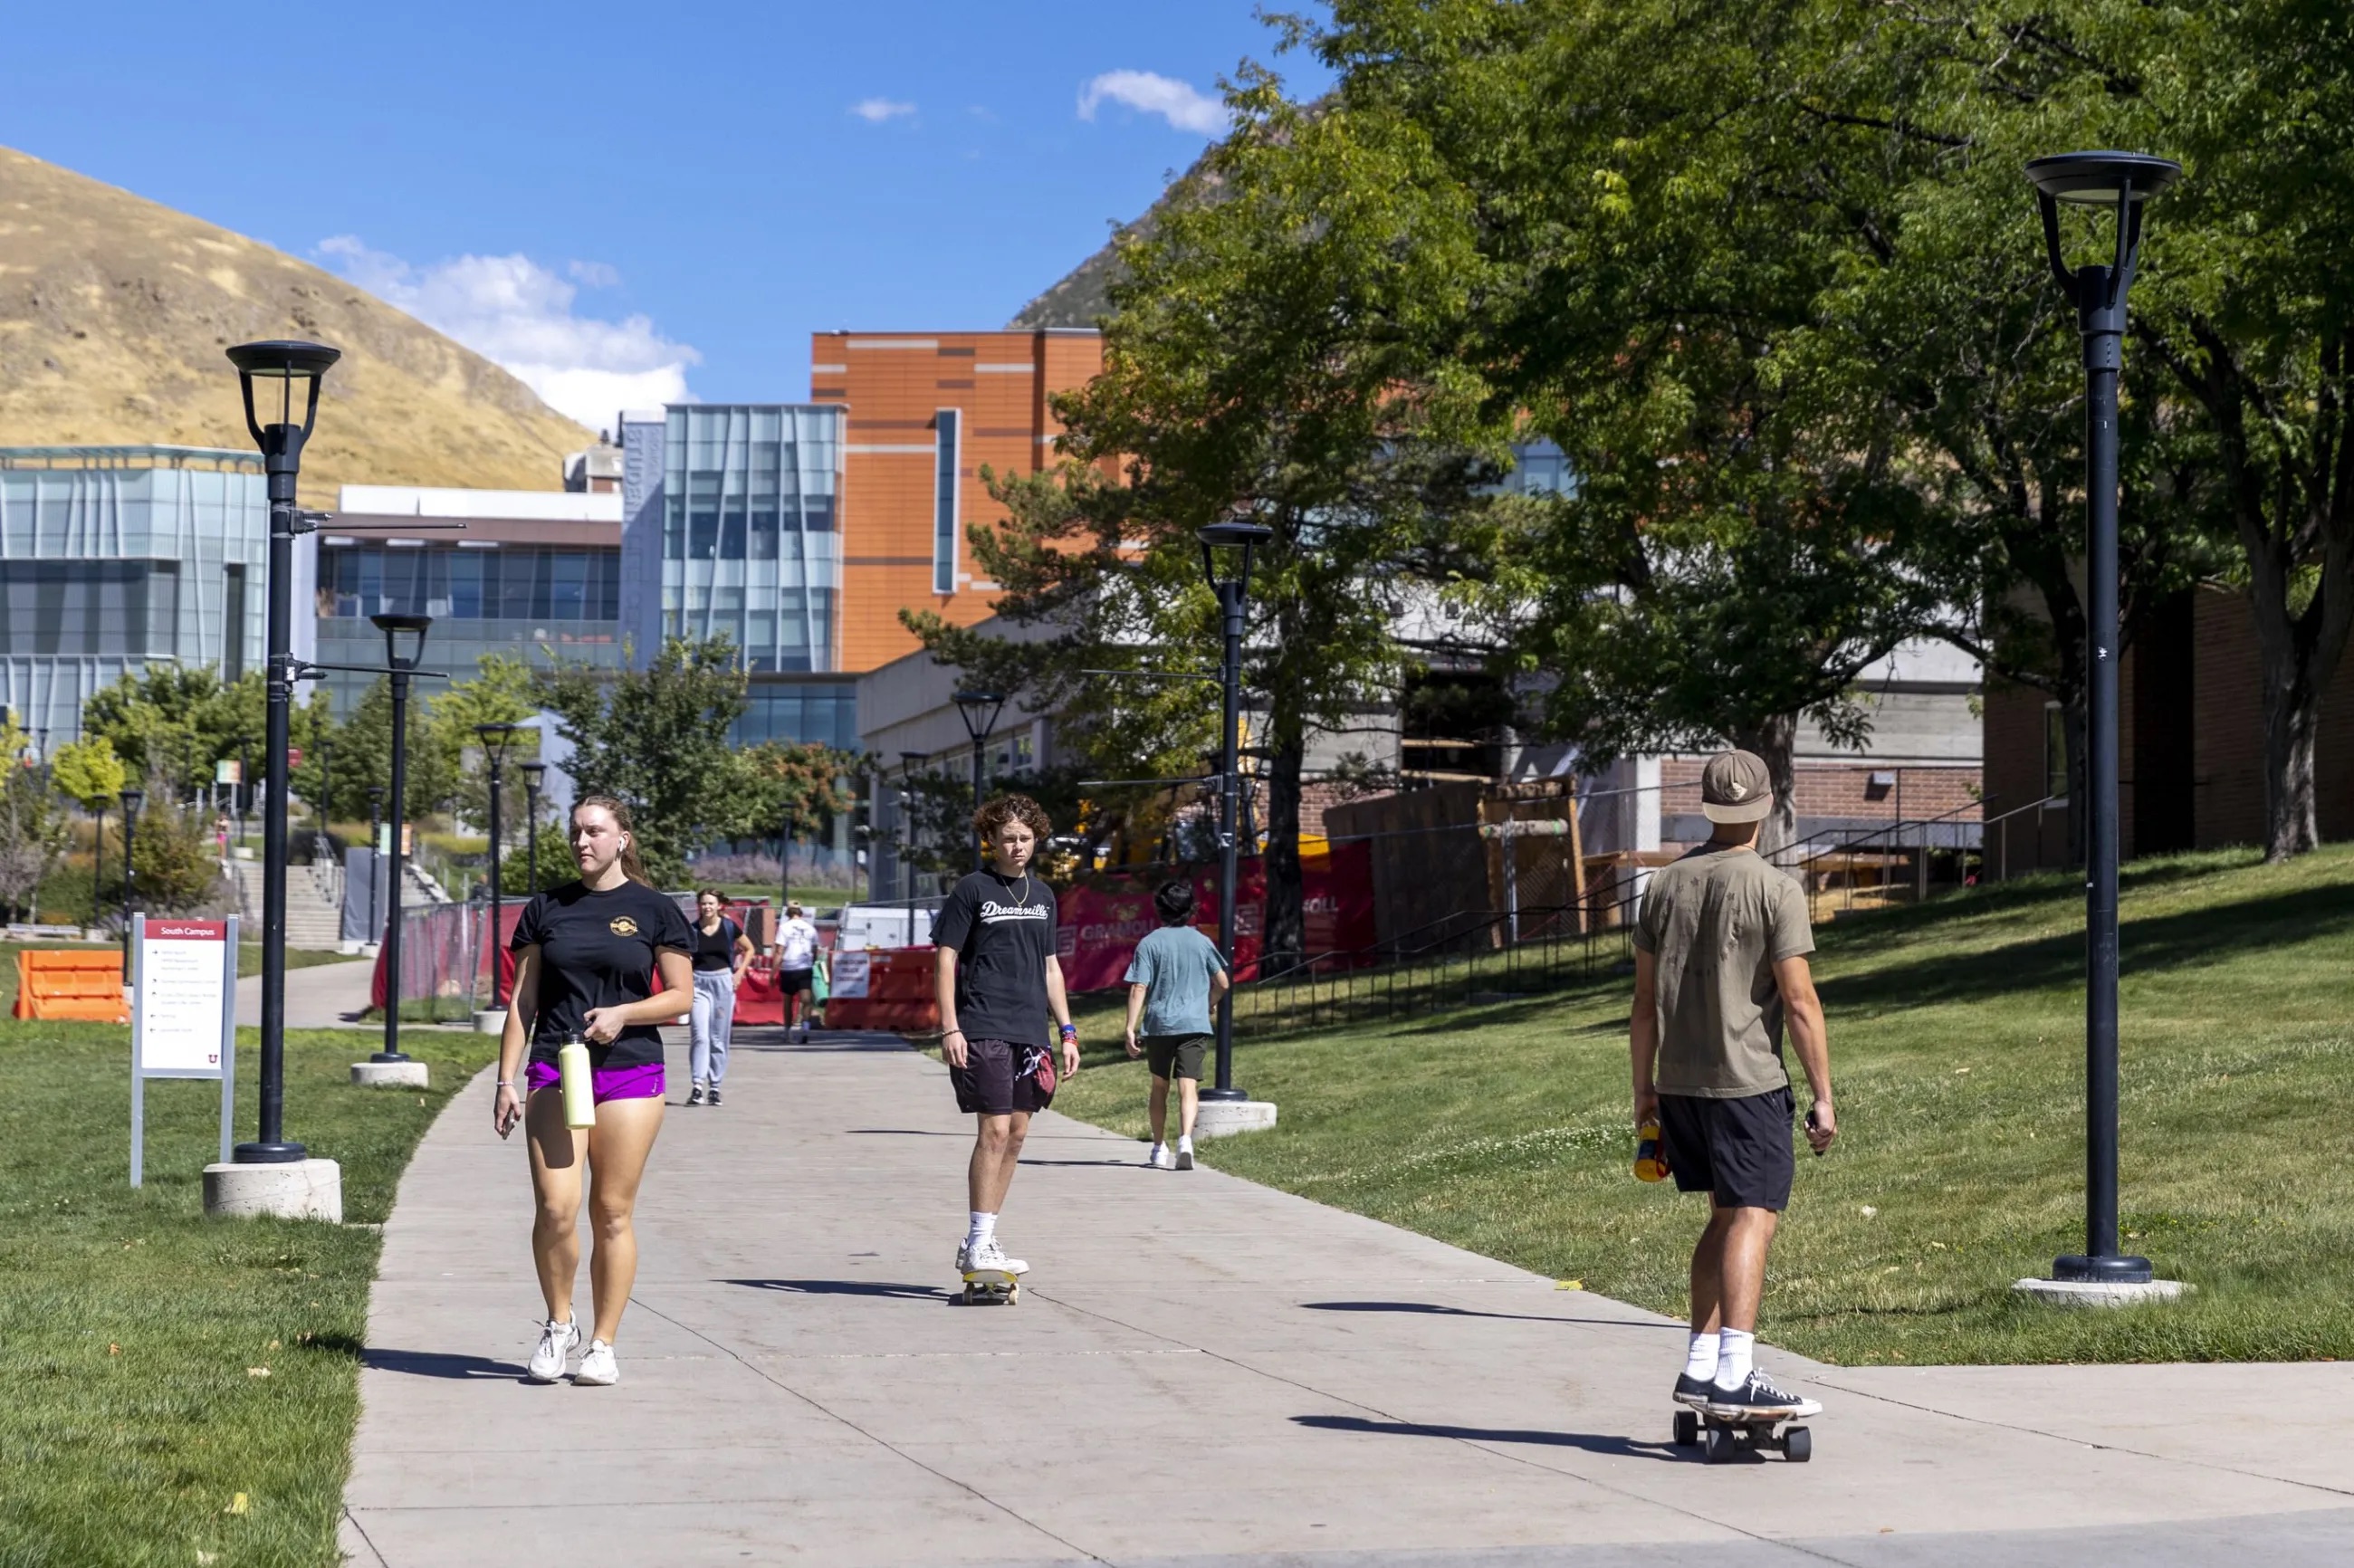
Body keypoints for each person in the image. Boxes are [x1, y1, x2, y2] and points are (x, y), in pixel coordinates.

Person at [1632, 750, 1836, 1423]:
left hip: (1681, 1085)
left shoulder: (1663, 886)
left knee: (1721, 1216)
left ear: (1707, 806)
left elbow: (1640, 1006)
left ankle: (1699, 1366)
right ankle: (1737, 1374)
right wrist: (1824, 1096)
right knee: (1753, 1215)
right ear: (1767, 805)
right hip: (1747, 1084)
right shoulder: (1777, 889)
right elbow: (1799, 1002)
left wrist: (1644, 1093)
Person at [493, 796, 694, 1388]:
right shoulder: (545, 908)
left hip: (629, 1070)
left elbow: (680, 996)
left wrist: (625, 1014)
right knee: (556, 1208)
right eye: (576, 832)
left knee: (611, 1211)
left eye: (595, 831)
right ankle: (560, 1325)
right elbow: (522, 1001)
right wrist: (506, 1080)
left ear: (623, 839)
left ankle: (603, 1343)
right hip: (557, 1068)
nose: (583, 842)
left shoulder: (655, 910)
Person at [934, 794, 1079, 1278]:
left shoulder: (1042, 896)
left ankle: (984, 1238)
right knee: (993, 1132)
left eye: (1025, 838)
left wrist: (1067, 1031)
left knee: (1016, 1137)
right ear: (991, 841)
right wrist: (950, 1025)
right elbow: (946, 958)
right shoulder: (972, 889)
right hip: (982, 1025)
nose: (1018, 846)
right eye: (1008, 838)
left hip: (1029, 1031)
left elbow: (1051, 965)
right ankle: (978, 1243)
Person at [1122, 878, 1227, 1171]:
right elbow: (1223, 982)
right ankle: (1186, 1141)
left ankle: (1158, 1148)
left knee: (1159, 1086)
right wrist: (1208, 1003)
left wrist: (1130, 1026)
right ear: (1190, 909)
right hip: (1194, 1024)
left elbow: (1138, 988)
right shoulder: (1202, 942)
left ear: (1160, 909)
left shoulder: (1149, 943)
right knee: (1188, 1087)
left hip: (1159, 1026)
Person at [686, 889, 753, 1107]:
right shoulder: (693, 930)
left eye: (711, 903)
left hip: (722, 982)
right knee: (700, 1035)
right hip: (699, 984)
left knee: (718, 1038)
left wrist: (740, 972)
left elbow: (749, 948)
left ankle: (715, 1086)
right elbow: (684, 956)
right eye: (703, 903)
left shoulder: (728, 926)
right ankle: (697, 1086)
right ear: (699, 905)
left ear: (719, 906)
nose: (707, 907)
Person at [776, 902, 819, 1044]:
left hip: (788, 967)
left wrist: (773, 971)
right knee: (806, 1000)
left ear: (788, 914)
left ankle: (787, 1031)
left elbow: (779, 951)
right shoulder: (810, 929)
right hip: (804, 966)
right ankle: (805, 1028)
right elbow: (815, 950)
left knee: (788, 1002)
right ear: (801, 913)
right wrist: (812, 962)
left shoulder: (783, 928)